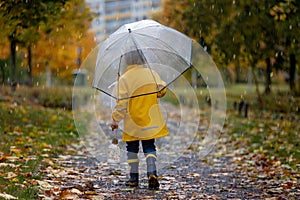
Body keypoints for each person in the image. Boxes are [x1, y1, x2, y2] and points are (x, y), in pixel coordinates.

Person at [110, 50, 168, 190]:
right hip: (150, 120)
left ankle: (133, 178)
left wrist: (115, 119)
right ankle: (152, 172)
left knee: (132, 150)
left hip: (132, 122)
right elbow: (161, 91)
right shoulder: (151, 73)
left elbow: (122, 103)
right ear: (142, 59)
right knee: (149, 147)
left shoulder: (124, 78)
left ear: (127, 61)